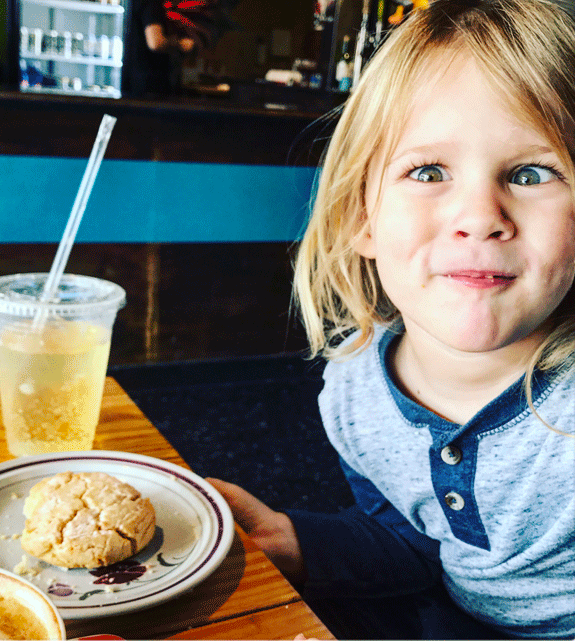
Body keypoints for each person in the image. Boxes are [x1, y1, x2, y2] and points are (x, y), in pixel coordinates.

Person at [207, 0, 575, 638]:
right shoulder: (355, 394)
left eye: (531, 172)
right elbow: (409, 543)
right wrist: (291, 539)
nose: (480, 215)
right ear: (360, 218)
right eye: (428, 171)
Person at [126, 0, 195, 97]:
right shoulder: (152, 3)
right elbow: (155, 43)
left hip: (126, 82)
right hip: (149, 84)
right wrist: (180, 43)